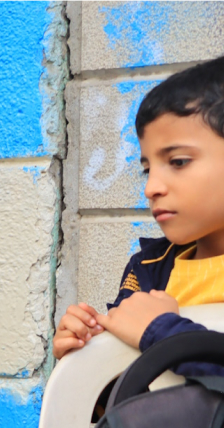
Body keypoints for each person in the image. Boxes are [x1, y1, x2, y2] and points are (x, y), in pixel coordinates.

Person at [55, 55, 224, 376]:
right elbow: (123, 399)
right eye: (147, 169)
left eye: (178, 162)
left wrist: (162, 334)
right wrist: (83, 361)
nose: (151, 187)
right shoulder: (147, 269)